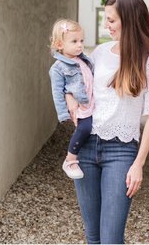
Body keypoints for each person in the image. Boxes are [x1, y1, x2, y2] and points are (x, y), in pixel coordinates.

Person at [66, 0, 149, 244]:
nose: (106, 25)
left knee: (111, 239)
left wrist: (138, 164)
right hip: (86, 148)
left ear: (129, 20)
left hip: (121, 153)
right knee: (93, 236)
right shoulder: (99, 52)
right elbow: (80, 88)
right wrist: (72, 105)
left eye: (111, 20)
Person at [49, 19, 95, 180]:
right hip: (80, 105)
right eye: (74, 41)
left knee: (91, 127)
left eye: (81, 41)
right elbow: (57, 92)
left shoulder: (83, 59)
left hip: (92, 102)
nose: (80, 45)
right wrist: (63, 113)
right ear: (60, 45)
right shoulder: (58, 68)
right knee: (84, 128)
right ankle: (70, 159)